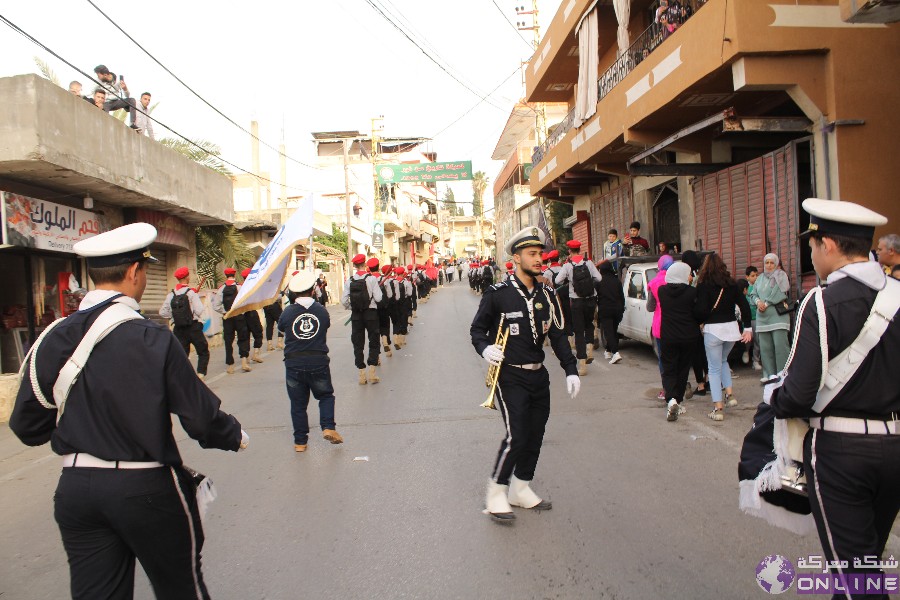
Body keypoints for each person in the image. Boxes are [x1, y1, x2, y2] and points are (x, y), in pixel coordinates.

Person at [10, 222, 248, 600]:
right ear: (136, 272)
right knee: (181, 589)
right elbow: (201, 420)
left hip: (76, 491)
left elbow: (27, 425)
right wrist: (233, 435)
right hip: (146, 489)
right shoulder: (152, 337)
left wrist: (81, 434)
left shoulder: (53, 336)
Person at [771, 198, 898, 595]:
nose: (811, 255)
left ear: (827, 244)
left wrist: (774, 399)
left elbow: (798, 393)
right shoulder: (897, 295)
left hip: (840, 452)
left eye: (811, 246)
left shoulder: (821, 302)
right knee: (863, 563)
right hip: (895, 446)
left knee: (857, 577)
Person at [470, 227, 580, 522]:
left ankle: (520, 488)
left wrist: (571, 370)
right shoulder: (498, 295)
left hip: (538, 376)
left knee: (535, 435)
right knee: (516, 435)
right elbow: (477, 329)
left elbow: (557, 335)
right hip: (510, 377)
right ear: (516, 258)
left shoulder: (547, 293)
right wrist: (485, 349)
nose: (539, 258)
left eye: (540, 253)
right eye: (532, 254)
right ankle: (496, 492)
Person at [278, 271, 343, 453]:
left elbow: (282, 329)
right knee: (325, 396)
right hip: (318, 361)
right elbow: (325, 326)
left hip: (293, 363)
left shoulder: (288, 312)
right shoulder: (321, 311)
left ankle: (300, 442)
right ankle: (328, 426)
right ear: (313, 291)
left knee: (298, 404)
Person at [694, 253, 752, 421]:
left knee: (713, 368)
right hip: (732, 330)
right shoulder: (732, 284)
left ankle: (718, 407)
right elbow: (744, 305)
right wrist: (747, 327)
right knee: (724, 361)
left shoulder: (704, 285)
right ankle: (730, 394)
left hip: (713, 330)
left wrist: (699, 320)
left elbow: (701, 310)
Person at [657, 261, 699, 421]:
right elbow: (697, 312)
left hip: (668, 336)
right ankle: (678, 400)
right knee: (682, 369)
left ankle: (671, 399)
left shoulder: (662, 291)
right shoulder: (692, 292)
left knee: (669, 369)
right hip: (688, 336)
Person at [554, 239, 603, 375]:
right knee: (589, 325)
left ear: (569, 251)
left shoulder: (568, 265)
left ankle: (582, 364)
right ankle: (589, 351)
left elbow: (557, 280)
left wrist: (569, 280)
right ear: (580, 250)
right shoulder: (588, 262)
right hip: (590, 299)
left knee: (579, 331)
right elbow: (599, 278)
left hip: (576, 301)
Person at [159, 266, 210, 380]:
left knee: (182, 355)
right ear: (187, 277)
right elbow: (199, 310)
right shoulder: (191, 293)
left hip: (178, 329)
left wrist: (174, 317)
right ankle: (200, 374)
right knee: (203, 351)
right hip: (193, 327)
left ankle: (184, 378)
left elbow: (162, 312)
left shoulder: (171, 294)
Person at [341, 255, 383, 384]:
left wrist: (352, 307)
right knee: (374, 341)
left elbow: (343, 300)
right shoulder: (371, 279)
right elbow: (379, 298)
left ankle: (361, 374)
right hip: (371, 314)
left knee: (358, 343)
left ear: (354, 266)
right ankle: (372, 373)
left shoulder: (350, 280)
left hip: (356, 315)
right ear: (365, 264)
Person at [751, 254, 791, 382]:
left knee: (780, 347)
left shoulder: (781, 275)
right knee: (765, 348)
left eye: (771, 263)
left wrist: (766, 303)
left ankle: (782, 373)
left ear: (776, 264)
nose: (768, 265)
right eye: (766, 262)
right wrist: (758, 302)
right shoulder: (760, 278)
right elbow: (753, 294)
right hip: (762, 318)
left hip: (778, 318)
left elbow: (780, 292)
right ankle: (769, 374)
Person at [646, 255, 675, 399]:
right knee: (677, 357)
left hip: (660, 326)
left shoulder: (654, 282)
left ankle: (666, 389)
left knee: (663, 359)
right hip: (678, 324)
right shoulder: (678, 280)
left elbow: (650, 307)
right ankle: (679, 386)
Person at [212, 267, 252, 374]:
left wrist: (225, 312)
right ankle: (244, 361)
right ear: (234, 275)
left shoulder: (221, 289)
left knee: (228, 341)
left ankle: (230, 365)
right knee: (242, 338)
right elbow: (245, 301)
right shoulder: (239, 287)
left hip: (227, 318)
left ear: (226, 276)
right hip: (239, 316)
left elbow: (215, 306)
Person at [595, 259, 625, 364]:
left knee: (609, 332)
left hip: (605, 310)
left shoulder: (599, 282)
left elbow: (595, 296)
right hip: (617, 309)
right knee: (613, 331)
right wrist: (622, 309)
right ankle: (608, 351)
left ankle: (615, 353)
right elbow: (622, 296)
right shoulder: (617, 281)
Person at [239, 268, 266, 364]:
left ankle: (244, 358)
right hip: (251, 313)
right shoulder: (253, 287)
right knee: (258, 333)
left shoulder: (239, 288)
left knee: (244, 336)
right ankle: (255, 354)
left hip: (241, 315)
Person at [743, 266, 762, 370]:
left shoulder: (759, 287)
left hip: (757, 317)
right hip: (748, 318)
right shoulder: (745, 288)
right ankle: (746, 351)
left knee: (758, 340)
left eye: (756, 275)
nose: (755, 277)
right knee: (747, 339)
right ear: (747, 277)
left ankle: (755, 361)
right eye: (753, 275)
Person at [376, 263, 394, 359]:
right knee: (385, 327)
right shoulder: (384, 280)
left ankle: (377, 357)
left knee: (374, 333)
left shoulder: (368, 279)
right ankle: (385, 340)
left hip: (372, 310)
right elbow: (390, 294)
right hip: (383, 307)